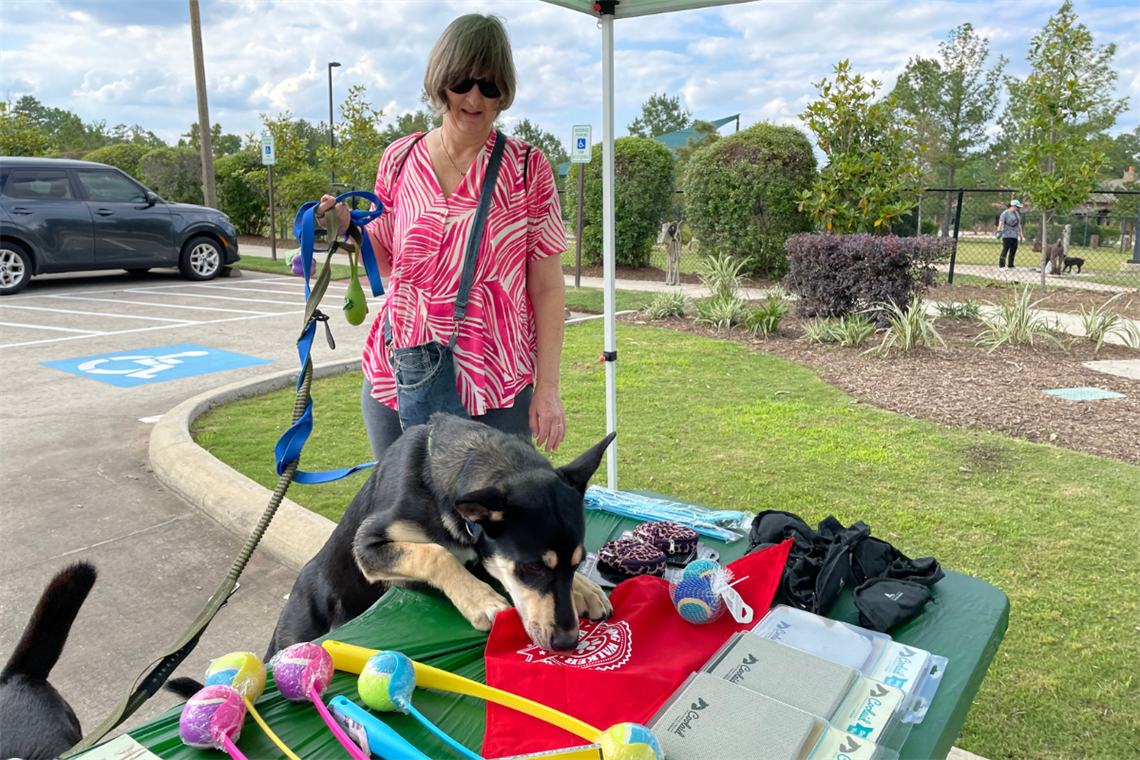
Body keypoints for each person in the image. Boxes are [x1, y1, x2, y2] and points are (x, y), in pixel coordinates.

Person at [315, 14, 568, 461]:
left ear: (503, 93)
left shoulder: (528, 169)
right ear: (440, 82)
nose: (474, 98)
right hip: (400, 376)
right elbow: (390, 261)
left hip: (496, 389)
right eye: (462, 82)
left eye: (490, 87)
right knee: (407, 525)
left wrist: (547, 389)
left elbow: (546, 286)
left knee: (485, 528)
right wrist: (348, 227)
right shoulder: (401, 157)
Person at [996, 199, 1024, 270]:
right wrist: (999, 231)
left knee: (1013, 249)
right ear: (1012, 206)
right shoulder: (1005, 213)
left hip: (1014, 235)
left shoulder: (1017, 214)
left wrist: (1021, 233)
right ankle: (1001, 265)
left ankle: (1011, 265)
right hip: (1007, 234)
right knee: (1005, 249)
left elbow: (1019, 224)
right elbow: (1001, 223)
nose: (1017, 208)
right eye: (1016, 207)